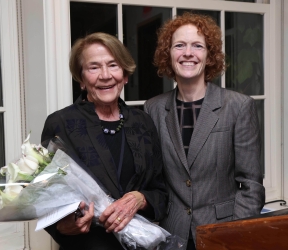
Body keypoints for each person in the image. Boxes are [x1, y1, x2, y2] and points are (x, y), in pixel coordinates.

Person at [144, 12, 265, 250]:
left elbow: (252, 186)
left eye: (197, 46)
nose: (188, 53)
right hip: (172, 234)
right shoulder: (154, 108)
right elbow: (153, 178)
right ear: (168, 54)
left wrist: (232, 234)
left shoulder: (238, 106)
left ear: (209, 55)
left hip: (223, 233)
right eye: (179, 45)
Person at [41, 32, 167, 250]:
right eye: (94, 67)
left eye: (113, 65)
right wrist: (62, 226)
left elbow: (161, 192)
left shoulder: (143, 122)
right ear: (81, 79)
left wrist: (140, 198)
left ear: (125, 75)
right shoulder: (60, 123)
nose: (105, 75)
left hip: (141, 244)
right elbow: (44, 196)